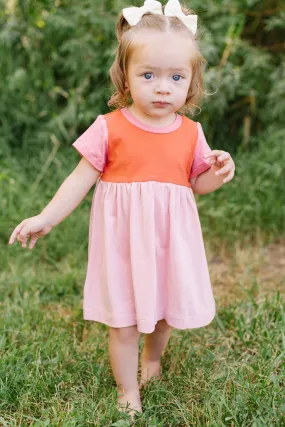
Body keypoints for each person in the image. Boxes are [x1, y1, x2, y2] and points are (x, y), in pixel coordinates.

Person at [8, 0, 235, 420]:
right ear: (126, 77)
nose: (162, 87)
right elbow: (79, 179)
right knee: (124, 320)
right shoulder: (109, 127)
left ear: (191, 81)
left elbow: (197, 184)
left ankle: (152, 361)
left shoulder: (191, 133)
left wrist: (219, 172)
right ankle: (127, 390)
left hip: (169, 243)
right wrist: (46, 217)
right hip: (123, 243)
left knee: (164, 314)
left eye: (175, 77)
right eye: (148, 75)